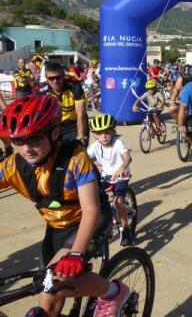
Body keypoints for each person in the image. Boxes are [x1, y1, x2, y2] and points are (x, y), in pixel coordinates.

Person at [0, 95, 129, 316]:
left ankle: (114, 292)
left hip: (90, 220)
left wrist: (76, 253)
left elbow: (91, 209)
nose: (26, 149)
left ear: (55, 133)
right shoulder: (14, 165)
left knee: (53, 283)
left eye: (35, 140)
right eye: (18, 142)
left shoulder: (75, 158)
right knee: (47, 303)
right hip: (57, 228)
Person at [87, 114, 134, 246]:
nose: (104, 136)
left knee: (118, 201)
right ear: (95, 135)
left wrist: (122, 168)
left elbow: (127, 157)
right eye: (100, 133)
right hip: (106, 177)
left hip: (121, 176)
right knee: (93, 199)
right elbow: (84, 159)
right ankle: (104, 225)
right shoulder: (95, 146)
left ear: (113, 131)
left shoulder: (118, 142)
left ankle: (125, 230)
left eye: (107, 132)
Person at [39, 62, 88, 145]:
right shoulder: (42, 90)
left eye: (58, 77)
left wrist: (81, 137)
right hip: (54, 126)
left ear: (63, 76)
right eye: (51, 78)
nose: (55, 81)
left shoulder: (75, 87)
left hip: (74, 125)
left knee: (77, 152)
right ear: (46, 78)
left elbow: (81, 115)